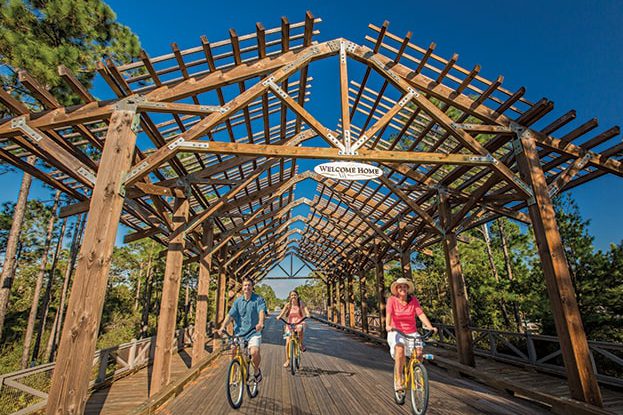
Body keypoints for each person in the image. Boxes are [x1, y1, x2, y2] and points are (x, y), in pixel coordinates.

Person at [385, 277, 437, 392]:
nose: (402, 288)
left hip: (412, 331)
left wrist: (430, 327)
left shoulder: (413, 300)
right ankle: (399, 379)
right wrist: (388, 325)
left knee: (419, 353)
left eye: (405, 286)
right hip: (396, 331)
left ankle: (417, 376)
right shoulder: (392, 300)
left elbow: (420, 314)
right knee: (399, 349)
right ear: (396, 289)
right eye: (400, 287)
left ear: (407, 289)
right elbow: (388, 313)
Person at [217, 278, 267, 383]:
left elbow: (261, 311)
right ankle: (234, 374)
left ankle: (256, 370)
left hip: (253, 331)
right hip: (240, 333)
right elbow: (230, 315)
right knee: (233, 351)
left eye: (249, 285)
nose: (247, 287)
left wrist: (261, 322)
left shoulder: (258, 299)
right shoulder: (238, 301)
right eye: (245, 285)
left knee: (254, 352)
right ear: (242, 288)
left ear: (252, 287)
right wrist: (222, 327)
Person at [276, 290, 310, 368]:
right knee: (287, 343)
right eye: (292, 295)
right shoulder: (288, 305)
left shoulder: (301, 303)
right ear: (290, 297)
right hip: (289, 324)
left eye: (295, 295)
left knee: (300, 329)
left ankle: (300, 344)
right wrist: (279, 317)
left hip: (299, 322)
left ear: (297, 296)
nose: (293, 296)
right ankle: (288, 359)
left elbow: (306, 310)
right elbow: (282, 313)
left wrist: (307, 314)